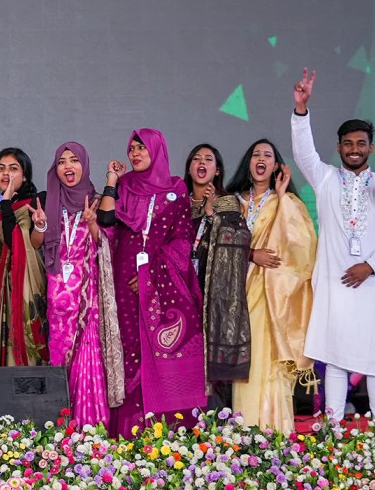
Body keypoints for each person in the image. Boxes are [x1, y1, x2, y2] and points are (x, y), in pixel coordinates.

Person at [290, 71, 375, 421]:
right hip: (335, 285)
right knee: (336, 358)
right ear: (339, 147)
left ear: (371, 147)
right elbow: (303, 153)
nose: (354, 149)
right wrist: (301, 110)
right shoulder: (325, 179)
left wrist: (369, 266)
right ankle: (334, 429)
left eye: (361, 144)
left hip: (374, 286)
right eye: (348, 144)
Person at [95, 129, 206, 437]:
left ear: (157, 150)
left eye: (142, 148)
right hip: (123, 282)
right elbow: (105, 222)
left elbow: (182, 238)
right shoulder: (124, 186)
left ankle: (168, 431)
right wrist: (112, 180)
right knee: (129, 350)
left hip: (158, 284)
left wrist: (150, 274)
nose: (135, 153)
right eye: (132, 148)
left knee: (158, 351)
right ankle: (128, 430)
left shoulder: (176, 188)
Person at [224, 139, 316, 432]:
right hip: (234, 291)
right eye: (256, 154)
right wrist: (252, 254)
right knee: (245, 364)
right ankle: (244, 431)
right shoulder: (232, 201)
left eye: (268, 155)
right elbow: (219, 243)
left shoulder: (286, 202)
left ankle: (275, 432)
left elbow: (300, 247)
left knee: (269, 358)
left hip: (271, 294)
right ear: (248, 163)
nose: (261, 159)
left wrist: (282, 194)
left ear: (276, 165)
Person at [34, 143, 120, 430]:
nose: (68, 166)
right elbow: (36, 244)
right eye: (62, 161)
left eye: (74, 160)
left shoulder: (96, 201)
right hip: (57, 303)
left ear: (84, 164)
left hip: (87, 300)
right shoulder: (49, 201)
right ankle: (59, 430)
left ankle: (89, 428)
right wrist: (40, 226)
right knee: (58, 360)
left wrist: (92, 223)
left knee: (86, 360)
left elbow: (107, 245)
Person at [185, 142, 252, 388]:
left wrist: (211, 214)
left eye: (208, 159)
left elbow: (240, 238)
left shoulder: (227, 202)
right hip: (182, 284)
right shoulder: (178, 202)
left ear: (217, 170)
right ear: (189, 168)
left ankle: (213, 406)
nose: (202, 162)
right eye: (196, 158)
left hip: (212, 285)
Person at [0, 147, 48, 367]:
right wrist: (5, 203)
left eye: (13, 168)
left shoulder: (37, 201)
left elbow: (16, 241)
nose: (6, 174)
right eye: (1, 168)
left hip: (28, 281)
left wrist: (7, 204)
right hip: (1, 285)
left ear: (25, 174)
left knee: (31, 333)